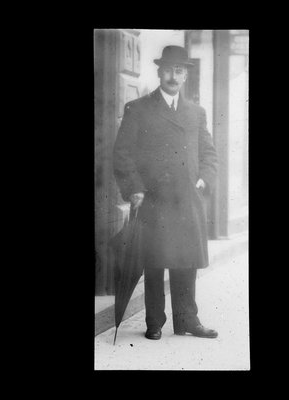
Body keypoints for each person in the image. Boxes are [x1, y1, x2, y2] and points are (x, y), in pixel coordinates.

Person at [113, 45, 218, 340]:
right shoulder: (138, 108)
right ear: (160, 72)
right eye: (169, 70)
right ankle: (154, 321)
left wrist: (203, 182)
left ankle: (188, 321)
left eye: (179, 71)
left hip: (187, 199)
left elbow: (209, 154)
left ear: (185, 76)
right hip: (153, 199)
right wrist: (134, 188)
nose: (174, 76)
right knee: (155, 262)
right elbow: (122, 154)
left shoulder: (197, 112)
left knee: (186, 261)